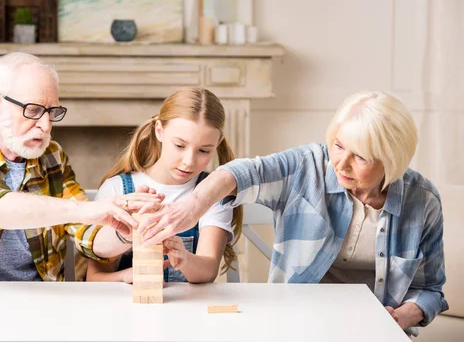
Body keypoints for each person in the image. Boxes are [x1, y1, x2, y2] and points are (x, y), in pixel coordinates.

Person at [137, 91, 448, 334]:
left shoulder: (422, 202)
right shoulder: (308, 167)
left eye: (361, 157)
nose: (340, 163)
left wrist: (400, 316)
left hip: (372, 329)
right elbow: (245, 172)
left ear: (391, 159)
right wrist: (193, 206)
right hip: (297, 325)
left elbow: (430, 290)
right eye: (338, 146)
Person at [0, 52, 162, 283]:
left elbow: (89, 236)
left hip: (38, 302)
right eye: (33, 110)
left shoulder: (52, 156)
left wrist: (127, 231)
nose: (45, 125)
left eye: (52, 112)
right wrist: (84, 209)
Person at [85, 87, 243, 284]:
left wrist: (184, 259)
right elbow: (94, 278)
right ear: (159, 131)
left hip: (187, 308)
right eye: (179, 145)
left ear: (218, 142)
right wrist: (127, 275)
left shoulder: (213, 192)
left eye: (203, 150)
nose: (189, 161)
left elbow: (208, 270)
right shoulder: (116, 189)